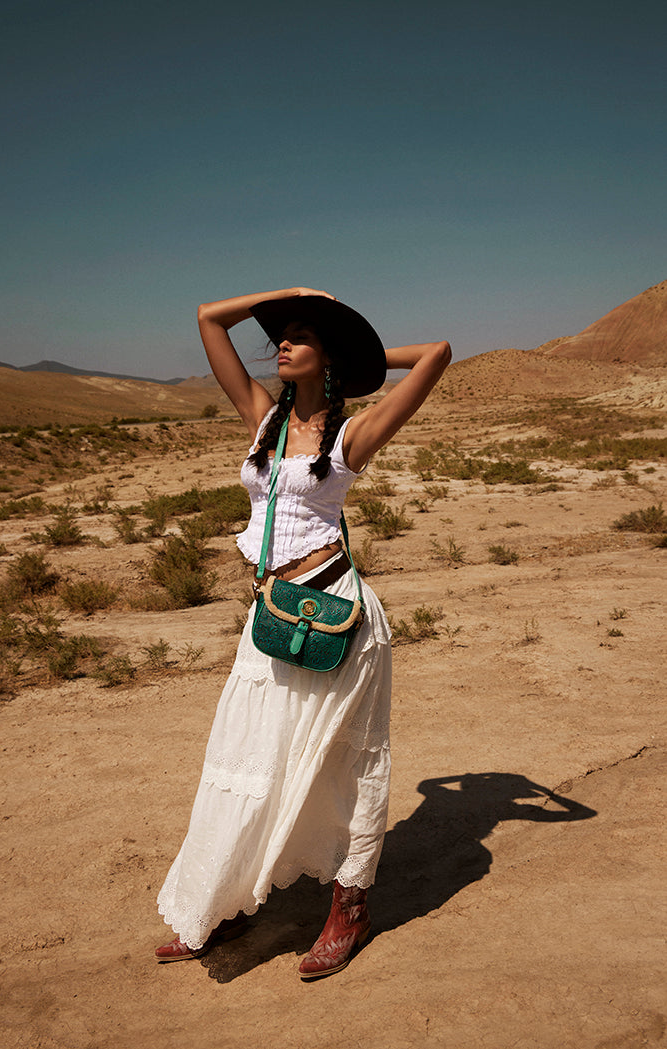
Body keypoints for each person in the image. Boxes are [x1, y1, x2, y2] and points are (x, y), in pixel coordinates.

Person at [156, 286, 451, 979]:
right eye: (280, 336)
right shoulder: (262, 419)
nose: (280, 345)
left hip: (339, 619)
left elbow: (436, 355)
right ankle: (220, 903)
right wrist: (297, 296)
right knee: (244, 759)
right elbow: (208, 317)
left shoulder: (352, 436)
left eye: (298, 336)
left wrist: (358, 356)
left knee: (343, 766)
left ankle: (349, 907)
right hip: (271, 616)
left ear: (328, 361)